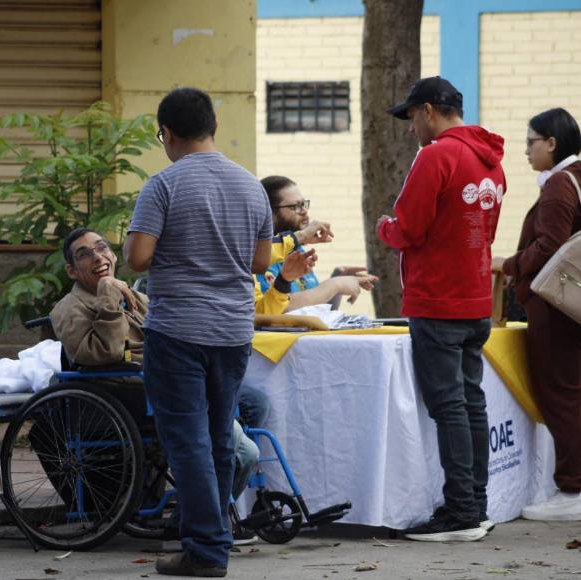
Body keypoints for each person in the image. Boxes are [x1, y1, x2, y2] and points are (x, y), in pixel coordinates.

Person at [123, 87, 273, 577]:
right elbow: (260, 262)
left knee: (187, 441)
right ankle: (206, 535)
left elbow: (138, 258)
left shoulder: (163, 185)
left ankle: (207, 551)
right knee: (219, 440)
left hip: (178, 331)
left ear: (166, 133)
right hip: (233, 332)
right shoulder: (251, 186)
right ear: (213, 127)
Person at [50, 227, 265, 545]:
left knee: (254, 401)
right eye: (85, 254)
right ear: (71, 270)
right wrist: (108, 296)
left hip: (164, 380)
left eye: (102, 248)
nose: (97, 257)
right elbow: (101, 355)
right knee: (243, 452)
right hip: (125, 393)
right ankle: (208, 521)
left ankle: (193, 513)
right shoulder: (69, 308)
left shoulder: (134, 296)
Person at [377, 76, 506, 542]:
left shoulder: (437, 156)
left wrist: (385, 228)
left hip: (438, 299)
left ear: (429, 110)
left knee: (450, 407)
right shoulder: (491, 160)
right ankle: (476, 505)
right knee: (471, 403)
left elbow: (408, 227)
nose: (411, 127)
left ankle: (460, 514)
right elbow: (481, 232)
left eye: (411, 116)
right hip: (474, 300)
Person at [493, 108, 581, 521]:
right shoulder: (575, 178)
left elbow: (549, 247)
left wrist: (507, 264)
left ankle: (573, 489)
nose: (525, 150)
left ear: (551, 143)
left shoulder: (561, 184)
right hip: (568, 309)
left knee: (561, 393)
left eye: (531, 141)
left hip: (556, 308)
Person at [257, 175, 378, 311]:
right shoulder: (261, 257)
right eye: (296, 206)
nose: (304, 211)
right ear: (271, 213)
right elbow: (278, 309)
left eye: (304, 204)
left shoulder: (298, 252)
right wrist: (335, 285)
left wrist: (337, 280)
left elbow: (317, 312)